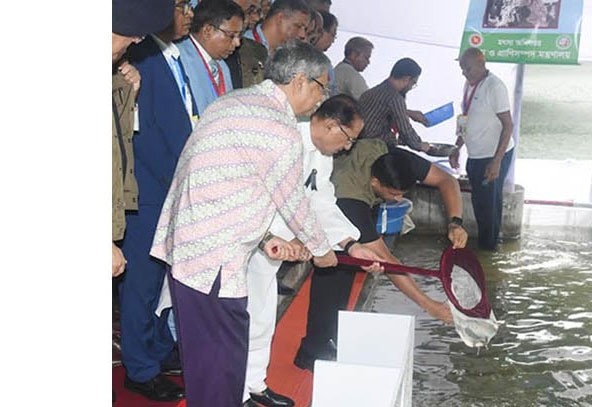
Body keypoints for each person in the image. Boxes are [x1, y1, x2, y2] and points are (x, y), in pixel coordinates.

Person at [150, 40, 339, 407]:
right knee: (223, 362)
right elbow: (293, 202)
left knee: (206, 359)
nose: (322, 97)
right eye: (322, 86)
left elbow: (231, 183)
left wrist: (266, 237)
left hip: (191, 249)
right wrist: (322, 250)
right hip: (213, 262)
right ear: (300, 80)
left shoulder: (233, 102)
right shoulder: (278, 128)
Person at [243, 96, 384, 407]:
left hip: (275, 248)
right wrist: (318, 246)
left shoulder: (321, 154)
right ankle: (236, 393)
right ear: (330, 124)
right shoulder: (285, 139)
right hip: (250, 240)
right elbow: (270, 197)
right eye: (348, 138)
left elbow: (321, 202)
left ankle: (254, 386)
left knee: (263, 317)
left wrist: (350, 244)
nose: (348, 148)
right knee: (244, 318)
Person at [294, 138, 468, 371]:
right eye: (394, 193)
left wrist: (455, 223)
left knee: (353, 266)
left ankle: (329, 338)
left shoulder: (395, 160)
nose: (399, 199)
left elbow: (446, 180)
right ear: (375, 182)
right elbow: (388, 262)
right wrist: (430, 305)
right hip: (330, 201)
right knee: (335, 272)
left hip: (357, 188)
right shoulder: (351, 200)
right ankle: (312, 351)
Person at [119, 0, 196, 401]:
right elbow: (140, 135)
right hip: (149, 191)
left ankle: (156, 352)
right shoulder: (141, 58)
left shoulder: (169, 54)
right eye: (182, 6)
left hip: (170, 189)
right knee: (141, 286)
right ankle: (140, 368)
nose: (188, 14)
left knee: (158, 284)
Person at [112, 0, 174, 278]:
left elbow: (118, 143)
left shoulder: (117, 75)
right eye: (132, 37)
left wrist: (128, 92)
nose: (134, 44)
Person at [449, 47, 514, 251]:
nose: (464, 73)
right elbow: (464, 117)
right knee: (480, 202)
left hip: (493, 154)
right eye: (461, 69)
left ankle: (490, 249)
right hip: (476, 154)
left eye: (467, 68)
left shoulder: (495, 87)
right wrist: (457, 147)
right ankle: (488, 244)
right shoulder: (469, 85)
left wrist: (496, 161)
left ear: (481, 63)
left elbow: (508, 125)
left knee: (489, 206)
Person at [226, 0, 311, 89]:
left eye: (304, 29)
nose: (302, 34)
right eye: (297, 26)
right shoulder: (239, 46)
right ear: (280, 18)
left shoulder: (286, 56)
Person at [178, 0, 244, 114]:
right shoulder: (180, 58)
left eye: (239, 36)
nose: (237, 43)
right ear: (207, 31)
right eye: (232, 35)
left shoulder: (222, 65)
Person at [357, 58, 431, 152]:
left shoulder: (373, 91)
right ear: (407, 79)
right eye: (413, 83)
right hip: (372, 147)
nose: (411, 87)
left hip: (359, 143)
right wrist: (420, 145)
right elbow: (405, 131)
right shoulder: (395, 97)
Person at [334, 36, 373, 100]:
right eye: (366, 57)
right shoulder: (350, 73)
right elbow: (367, 101)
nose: (368, 62)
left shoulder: (339, 69)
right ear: (354, 54)